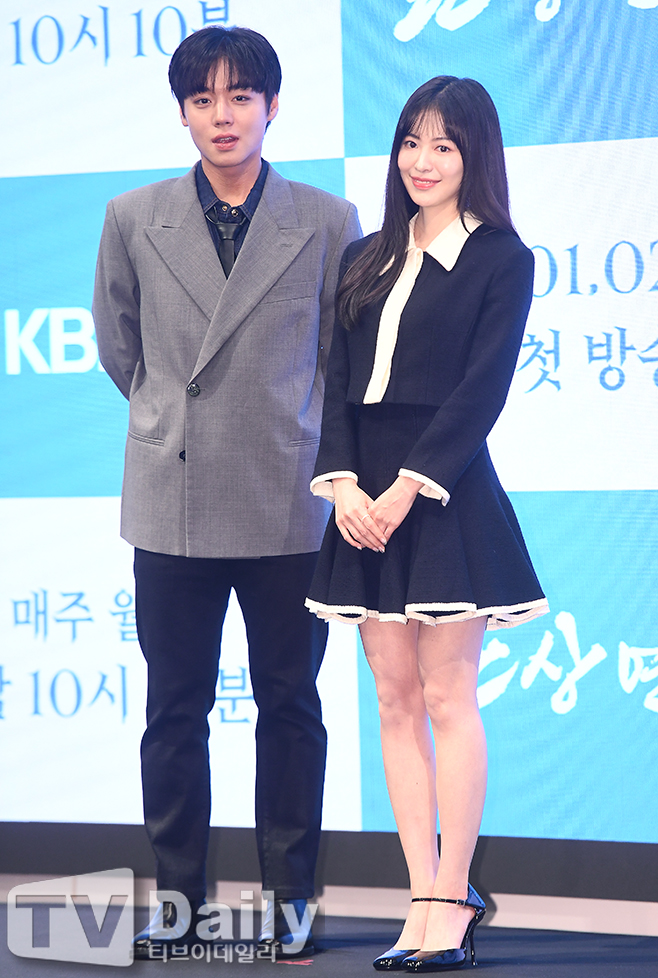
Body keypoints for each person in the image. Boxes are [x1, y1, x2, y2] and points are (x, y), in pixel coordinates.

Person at [92, 25, 360, 959]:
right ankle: (180, 902)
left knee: (291, 707)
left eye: (240, 96)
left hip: (288, 496)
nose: (222, 115)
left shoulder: (326, 219)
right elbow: (121, 350)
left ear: (272, 106)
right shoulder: (133, 216)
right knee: (174, 711)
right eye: (202, 98)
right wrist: (175, 421)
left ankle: (292, 901)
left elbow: (336, 360)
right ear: (182, 112)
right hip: (173, 496)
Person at [305, 76, 549, 972]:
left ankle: (453, 893)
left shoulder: (502, 257)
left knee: (448, 696)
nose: (423, 160)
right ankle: (420, 896)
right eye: (412, 141)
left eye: (444, 145)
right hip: (361, 495)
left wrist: (408, 489)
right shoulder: (364, 256)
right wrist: (341, 488)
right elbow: (334, 382)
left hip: (442, 491)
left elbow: (483, 390)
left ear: (475, 155)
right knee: (393, 699)